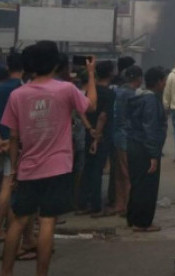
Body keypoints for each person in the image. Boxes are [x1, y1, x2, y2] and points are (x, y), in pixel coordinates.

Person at [1, 42, 97, 276]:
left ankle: (6, 271)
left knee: (18, 221)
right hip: (58, 167)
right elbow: (90, 105)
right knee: (47, 221)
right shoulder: (65, 90)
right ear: (55, 63)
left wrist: (14, 170)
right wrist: (91, 74)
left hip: (28, 167)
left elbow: (13, 138)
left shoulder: (18, 95)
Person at [126, 66, 168, 232]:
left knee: (137, 184)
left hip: (134, 144)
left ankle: (133, 217)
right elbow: (150, 127)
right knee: (147, 186)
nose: (165, 84)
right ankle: (143, 222)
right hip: (145, 147)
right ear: (158, 82)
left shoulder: (137, 96)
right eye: (164, 81)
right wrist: (153, 154)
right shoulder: (151, 100)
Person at [78, 60, 116, 217]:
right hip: (101, 136)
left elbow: (82, 111)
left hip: (89, 133)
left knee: (88, 168)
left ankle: (83, 203)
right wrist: (98, 136)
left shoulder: (90, 91)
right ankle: (95, 206)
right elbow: (103, 116)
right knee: (97, 171)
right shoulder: (109, 93)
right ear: (110, 73)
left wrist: (90, 130)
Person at [111, 65, 143, 216]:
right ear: (139, 79)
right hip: (128, 136)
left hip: (116, 135)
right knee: (128, 173)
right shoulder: (133, 95)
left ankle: (119, 204)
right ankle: (128, 206)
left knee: (118, 173)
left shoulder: (117, 92)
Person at [0, 53, 23, 242]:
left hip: (1, 139)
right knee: (8, 185)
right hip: (12, 142)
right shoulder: (21, 89)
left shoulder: (0, 87)